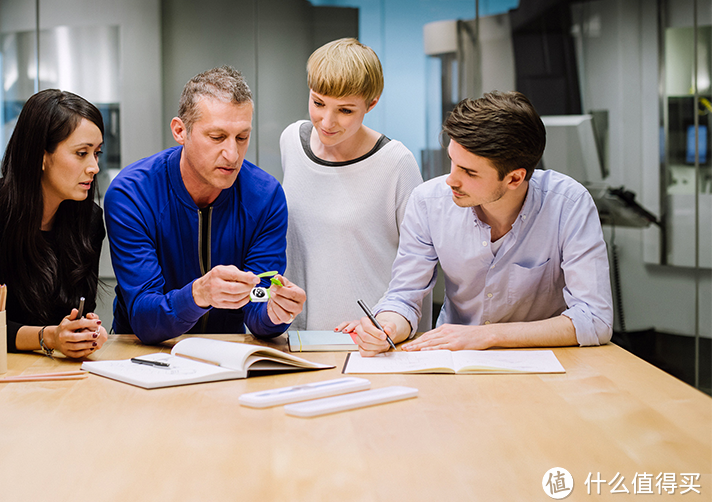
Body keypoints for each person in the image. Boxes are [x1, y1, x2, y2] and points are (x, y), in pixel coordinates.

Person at [342, 91, 613, 355]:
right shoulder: (428, 202)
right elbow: (403, 296)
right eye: (453, 162)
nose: (451, 180)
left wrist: (488, 335)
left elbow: (595, 319)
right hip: (457, 359)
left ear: (514, 179)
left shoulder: (569, 204)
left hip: (546, 359)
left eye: (469, 172)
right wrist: (387, 326)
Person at [104, 66, 306, 345]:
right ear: (180, 131)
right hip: (142, 352)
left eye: (242, 137)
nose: (232, 154)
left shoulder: (265, 196)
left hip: (224, 353)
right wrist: (198, 295)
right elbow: (143, 317)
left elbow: (256, 298)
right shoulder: (133, 194)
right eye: (217, 137)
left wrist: (274, 313)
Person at [0, 89, 108, 358]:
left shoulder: (89, 220)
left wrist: (85, 331)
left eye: (96, 153)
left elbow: (79, 310)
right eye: (81, 153)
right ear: (40, 155)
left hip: (48, 366)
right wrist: (49, 337)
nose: (94, 167)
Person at [280, 37, 423, 330]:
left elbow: (418, 265)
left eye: (345, 110)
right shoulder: (291, 141)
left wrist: (391, 327)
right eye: (318, 103)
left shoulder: (396, 162)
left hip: (367, 338)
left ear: (371, 104)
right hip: (295, 336)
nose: (327, 121)